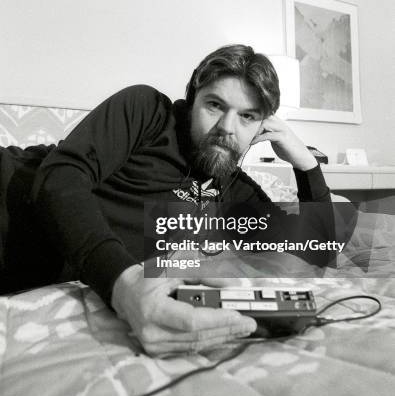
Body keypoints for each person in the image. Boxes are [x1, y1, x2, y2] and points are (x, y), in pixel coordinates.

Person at [0, 44, 333, 355]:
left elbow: (318, 249)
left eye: (248, 116)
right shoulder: (148, 111)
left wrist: (306, 165)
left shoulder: (234, 191)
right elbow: (62, 176)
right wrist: (123, 281)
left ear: (263, 127)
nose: (227, 128)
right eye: (215, 105)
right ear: (192, 101)